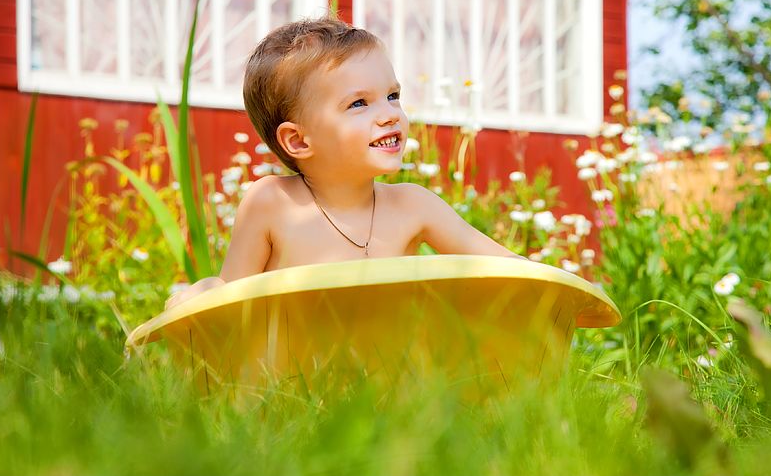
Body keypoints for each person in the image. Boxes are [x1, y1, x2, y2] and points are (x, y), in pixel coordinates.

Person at [165, 16, 524, 310]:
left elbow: (509, 270)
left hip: (385, 381)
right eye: (359, 104)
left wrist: (570, 292)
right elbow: (231, 302)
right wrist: (203, 294)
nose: (389, 115)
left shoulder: (414, 206)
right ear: (298, 140)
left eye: (392, 96)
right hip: (294, 379)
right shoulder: (273, 204)